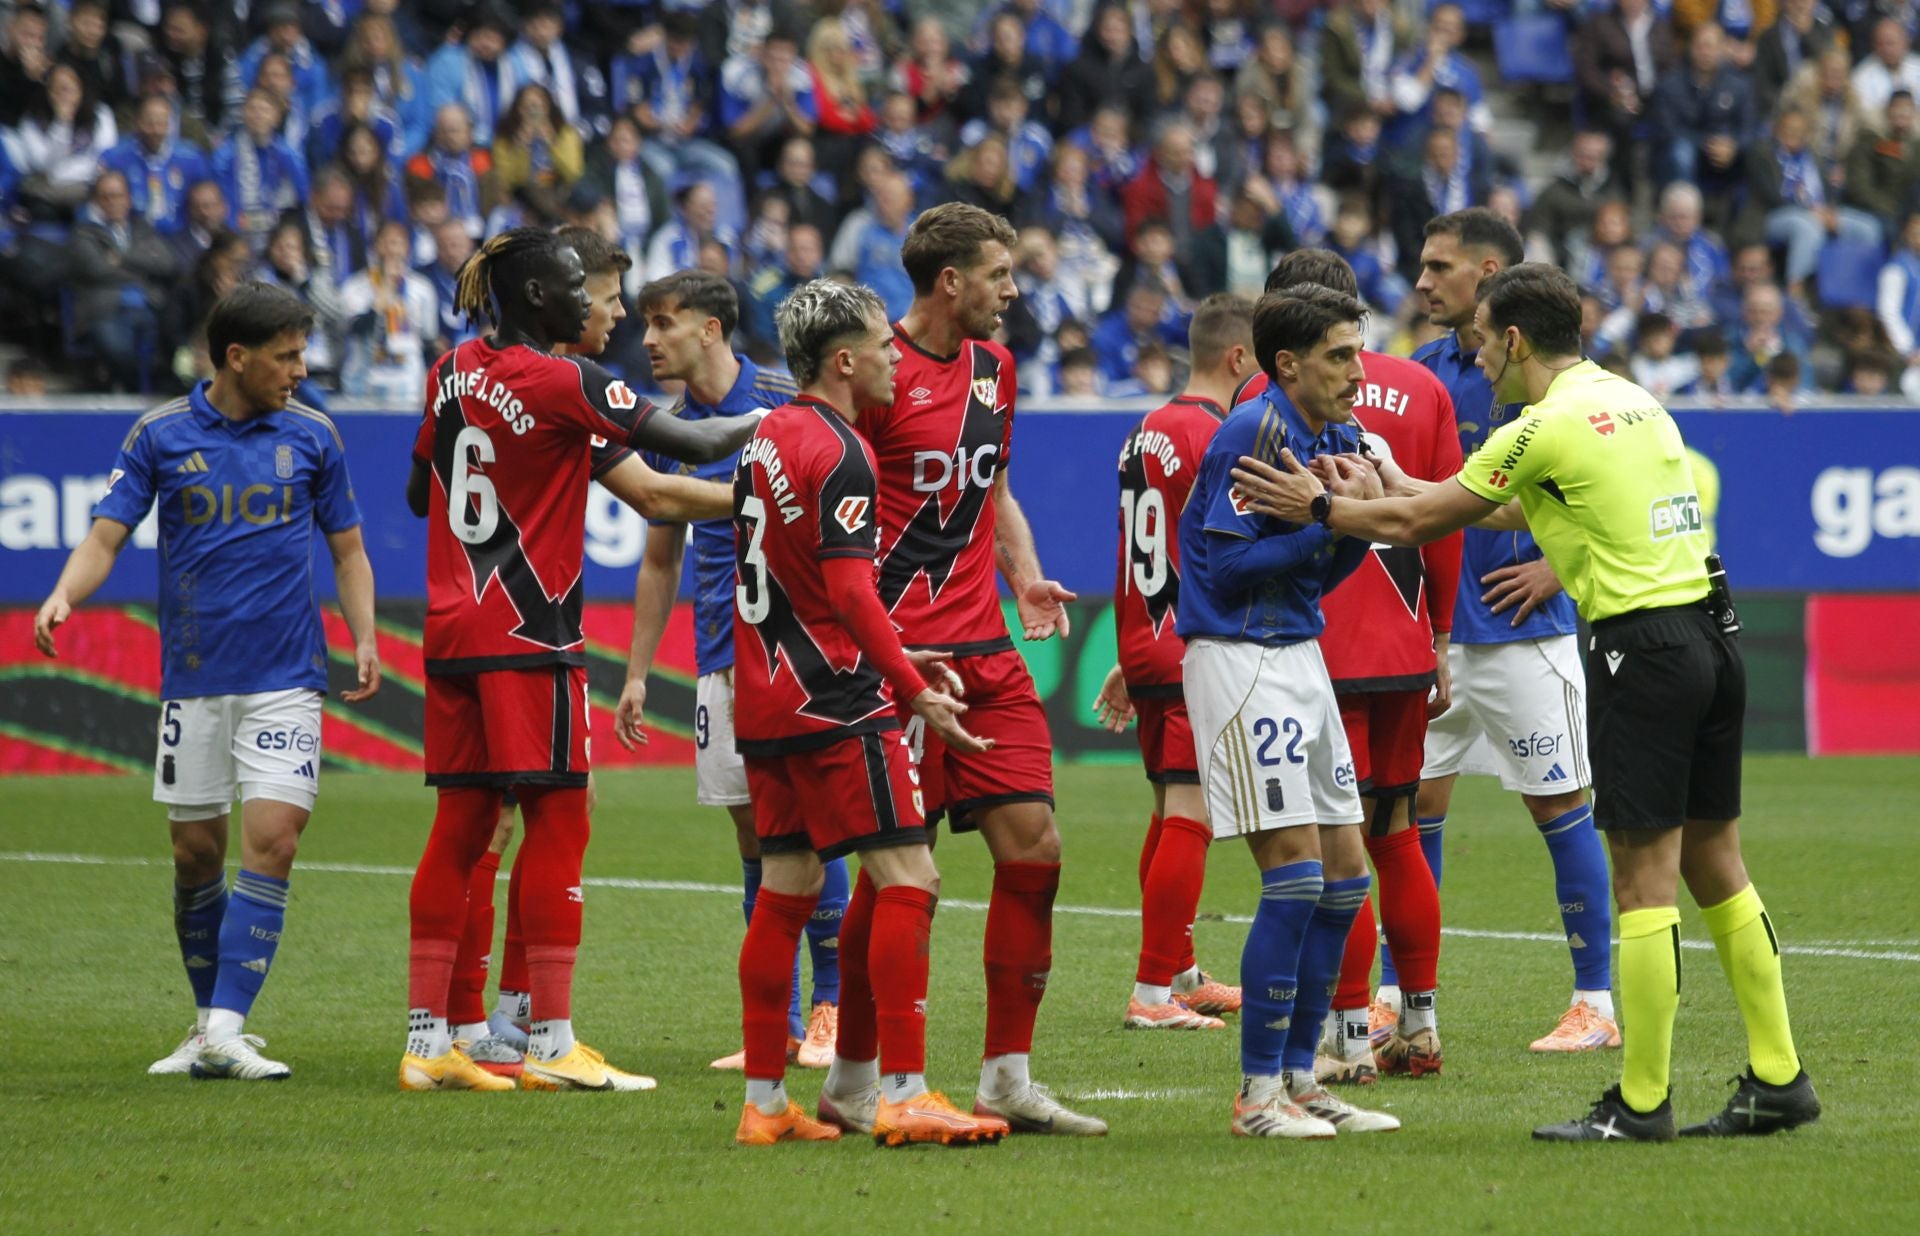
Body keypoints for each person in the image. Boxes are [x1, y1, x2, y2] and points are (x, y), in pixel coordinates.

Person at [1231, 262, 1819, 1142]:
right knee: (1716, 866)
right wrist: (1393, 475)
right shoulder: (1632, 401)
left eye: (1482, 343)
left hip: (1643, 653)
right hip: (1713, 636)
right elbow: (1517, 513)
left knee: (1642, 881)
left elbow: (1420, 525)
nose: (1478, 361)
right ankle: (1779, 1076)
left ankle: (1642, 1104)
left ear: (1514, 339)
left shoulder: (1537, 424)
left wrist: (1322, 505)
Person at [399, 226, 764, 1092]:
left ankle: (429, 1044)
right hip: (532, 637)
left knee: (460, 829)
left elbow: (423, 492)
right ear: (538, 299)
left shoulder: (450, 372)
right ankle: (551, 1044)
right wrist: (785, 433)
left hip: (453, 634)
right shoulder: (568, 382)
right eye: (581, 289)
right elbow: (701, 444)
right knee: (562, 820)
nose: (597, 307)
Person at [33, 281, 381, 1081]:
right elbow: (106, 536)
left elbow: (351, 551)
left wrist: (363, 636)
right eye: (286, 356)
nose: (299, 370)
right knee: (196, 855)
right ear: (237, 357)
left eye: (302, 354)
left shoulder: (314, 436)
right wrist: (64, 592)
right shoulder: (159, 434)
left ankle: (227, 1027)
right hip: (192, 678)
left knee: (275, 841)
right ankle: (205, 1027)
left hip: (288, 674)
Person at [821, 201, 1106, 1138]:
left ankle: (1006, 1078)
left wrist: (1025, 581)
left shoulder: (996, 370)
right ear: (952, 282)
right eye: (1001, 274)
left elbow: (998, 490)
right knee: (898, 878)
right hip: (905, 662)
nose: (1014, 291)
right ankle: (860, 1081)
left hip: (986, 647)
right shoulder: (877, 375)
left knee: (1038, 850)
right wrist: (884, 658)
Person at [729, 277, 1009, 1148]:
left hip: (765, 690)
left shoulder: (767, 436)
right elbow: (850, 588)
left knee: (788, 888)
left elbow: (812, 579)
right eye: (884, 348)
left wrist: (899, 655)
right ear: (844, 361)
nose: (897, 358)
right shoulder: (844, 450)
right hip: (834, 697)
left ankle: (766, 1103)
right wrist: (910, 682)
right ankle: (905, 1091)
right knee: (911, 879)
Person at [610, 269, 851, 1074]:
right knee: (755, 833)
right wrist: (640, 672)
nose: (648, 338)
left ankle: (834, 1008)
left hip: (801, 648)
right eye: (645, 322)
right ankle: (776, 1022)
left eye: (663, 322)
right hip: (723, 654)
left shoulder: (786, 399)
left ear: (711, 330)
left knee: (821, 821)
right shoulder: (667, 427)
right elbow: (657, 558)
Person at [1175, 284, 1400, 1139]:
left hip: (1299, 652)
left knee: (1346, 878)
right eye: (1340, 355)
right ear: (1286, 364)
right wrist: (1325, 523)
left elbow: (1322, 568)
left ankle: (1304, 1078)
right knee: (1298, 877)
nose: (1356, 371)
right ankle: (1256, 1096)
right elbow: (1227, 569)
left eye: (1357, 351)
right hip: (1239, 658)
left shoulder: (1336, 438)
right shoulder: (1253, 433)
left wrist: (1338, 527)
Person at [1408, 209, 1617, 1054]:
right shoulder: (1419, 377)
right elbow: (1421, 502)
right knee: (1412, 807)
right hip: (1437, 638)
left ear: (1487, 272)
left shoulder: (1570, 386)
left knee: (1560, 805)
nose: (1422, 282)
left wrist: (1557, 568)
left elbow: (1613, 503)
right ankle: (1401, 997)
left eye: (1438, 267)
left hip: (1526, 632)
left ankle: (1595, 1004)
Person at [1259, 250, 1458, 1085]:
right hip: (1402, 647)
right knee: (1397, 831)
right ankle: (1419, 1020)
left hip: (1318, 646)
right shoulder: (1421, 387)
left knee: (1330, 843)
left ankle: (1346, 1034)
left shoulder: (1275, 396)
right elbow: (1442, 514)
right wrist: (1439, 635)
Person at [1092, 293, 1259, 1032]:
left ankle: (1180, 970)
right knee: (1192, 811)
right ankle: (1153, 992)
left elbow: (1140, 548)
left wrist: (1129, 653)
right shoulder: (1215, 437)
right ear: (1240, 358)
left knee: (1168, 811)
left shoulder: (1144, 432)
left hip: (1147, 637)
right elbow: (1221, 553)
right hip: (1191, 643)